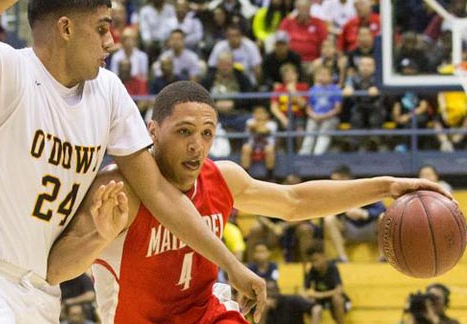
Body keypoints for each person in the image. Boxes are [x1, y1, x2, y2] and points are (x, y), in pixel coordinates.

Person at [0, 1, 266, 323]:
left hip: (40, 290)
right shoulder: (11, 72)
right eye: (102, 29)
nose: (111, 41)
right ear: (66, 28)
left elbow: (159, 193)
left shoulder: (109, 92)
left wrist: (230, 264)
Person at [48, 81, 451, 323]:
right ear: (152, 130)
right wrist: (97, 238)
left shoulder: (221, 178)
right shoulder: (120, 191)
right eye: (184, 131)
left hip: (207, 313)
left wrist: (386, 186)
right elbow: (59, 270)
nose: (197, 145)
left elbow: (294, 201)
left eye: (207, 133)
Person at [304, 242, 349, 324]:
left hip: (335, 301)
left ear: (323, 256)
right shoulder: (312, 270)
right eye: (312, 261)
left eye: (316, 260)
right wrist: (313, 295)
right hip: (323, 300)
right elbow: (306, 291)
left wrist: (320, 294)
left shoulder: (332, 268)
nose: (314, 264)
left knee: (337, 299)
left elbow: (339, 290)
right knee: (313, 306)